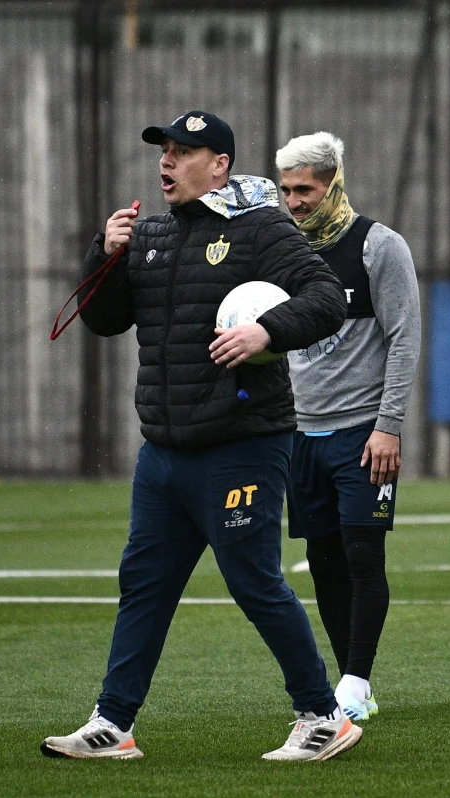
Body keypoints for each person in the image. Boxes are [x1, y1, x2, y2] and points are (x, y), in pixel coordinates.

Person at [41, 111, 360, 761]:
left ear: (219, 165)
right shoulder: (150, 234)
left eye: (183, 151)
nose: (166, 161)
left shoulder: (261, 228)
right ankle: (113, 723)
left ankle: (324, 716)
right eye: (164, 150)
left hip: (242, 444)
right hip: (164, 452)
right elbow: (105, 320)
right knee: (144, 584)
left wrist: (267, 329)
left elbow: (328, 298)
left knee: (253, 581)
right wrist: (104, 255)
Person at [276, 132, 422, 721]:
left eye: (304, 190)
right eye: (286, 190)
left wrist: (389, 426)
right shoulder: (283, 251)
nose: (294, 202)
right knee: (324, 562)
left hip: (363, 433)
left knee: (363, 557)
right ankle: (350, 686)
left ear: (333, 183)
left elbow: (404, 338)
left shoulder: (378, 246)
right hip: (300, 436)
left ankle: (357, 682)